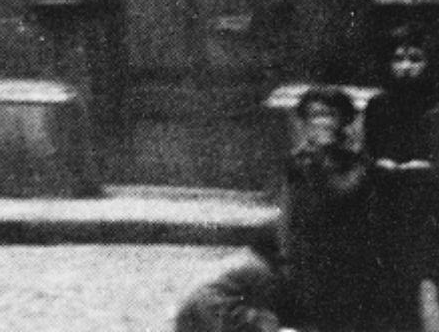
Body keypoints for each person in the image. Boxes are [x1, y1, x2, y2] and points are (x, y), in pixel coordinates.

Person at [282, 85, 377, 332]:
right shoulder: (299, 160)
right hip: (310, 254)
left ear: (343, 120)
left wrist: (322, 158)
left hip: (348, 256)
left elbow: (342, 192)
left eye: (329, 115)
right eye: (314, 115)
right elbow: (291, 208)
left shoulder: (356, 159)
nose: (321, 122)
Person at [366, 26, 439, 332]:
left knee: (425, 276)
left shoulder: (436, 107)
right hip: (390, 201)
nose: (406, 66)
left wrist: (426, 168)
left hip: (429, 206)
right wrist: (379, 164)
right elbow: (370, 152)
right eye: (398, 58)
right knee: (391, 276)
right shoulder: (379, 105)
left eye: (415, 58)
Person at [173, 225, 289, 332]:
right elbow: (263, 314)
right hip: (213, 310)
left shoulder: (244, 259)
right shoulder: (260, 270)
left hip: (190, 310)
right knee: (266, 320)